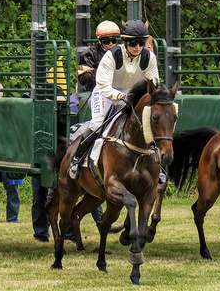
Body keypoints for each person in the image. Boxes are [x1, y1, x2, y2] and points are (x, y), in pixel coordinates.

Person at [68, 20, 159, 177]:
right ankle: (76, 160)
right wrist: (121, 96)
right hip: (106, 93)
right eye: (133, 43)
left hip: (133, 94)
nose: (138, 47)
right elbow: (103, 85)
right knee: (97, 124)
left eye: (142, 43)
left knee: (151, 124)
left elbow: (154, 82)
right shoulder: (111, 56)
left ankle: (158, 165)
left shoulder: (149, 57)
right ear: (125, 41)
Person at [76, 20, 121, 93]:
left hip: (119, 89)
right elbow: (85, 77)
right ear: (100, 41)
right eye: (106, 41)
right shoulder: (89, 54)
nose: (110, 44)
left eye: (113, 41)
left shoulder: (122, 52)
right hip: (97, 90)